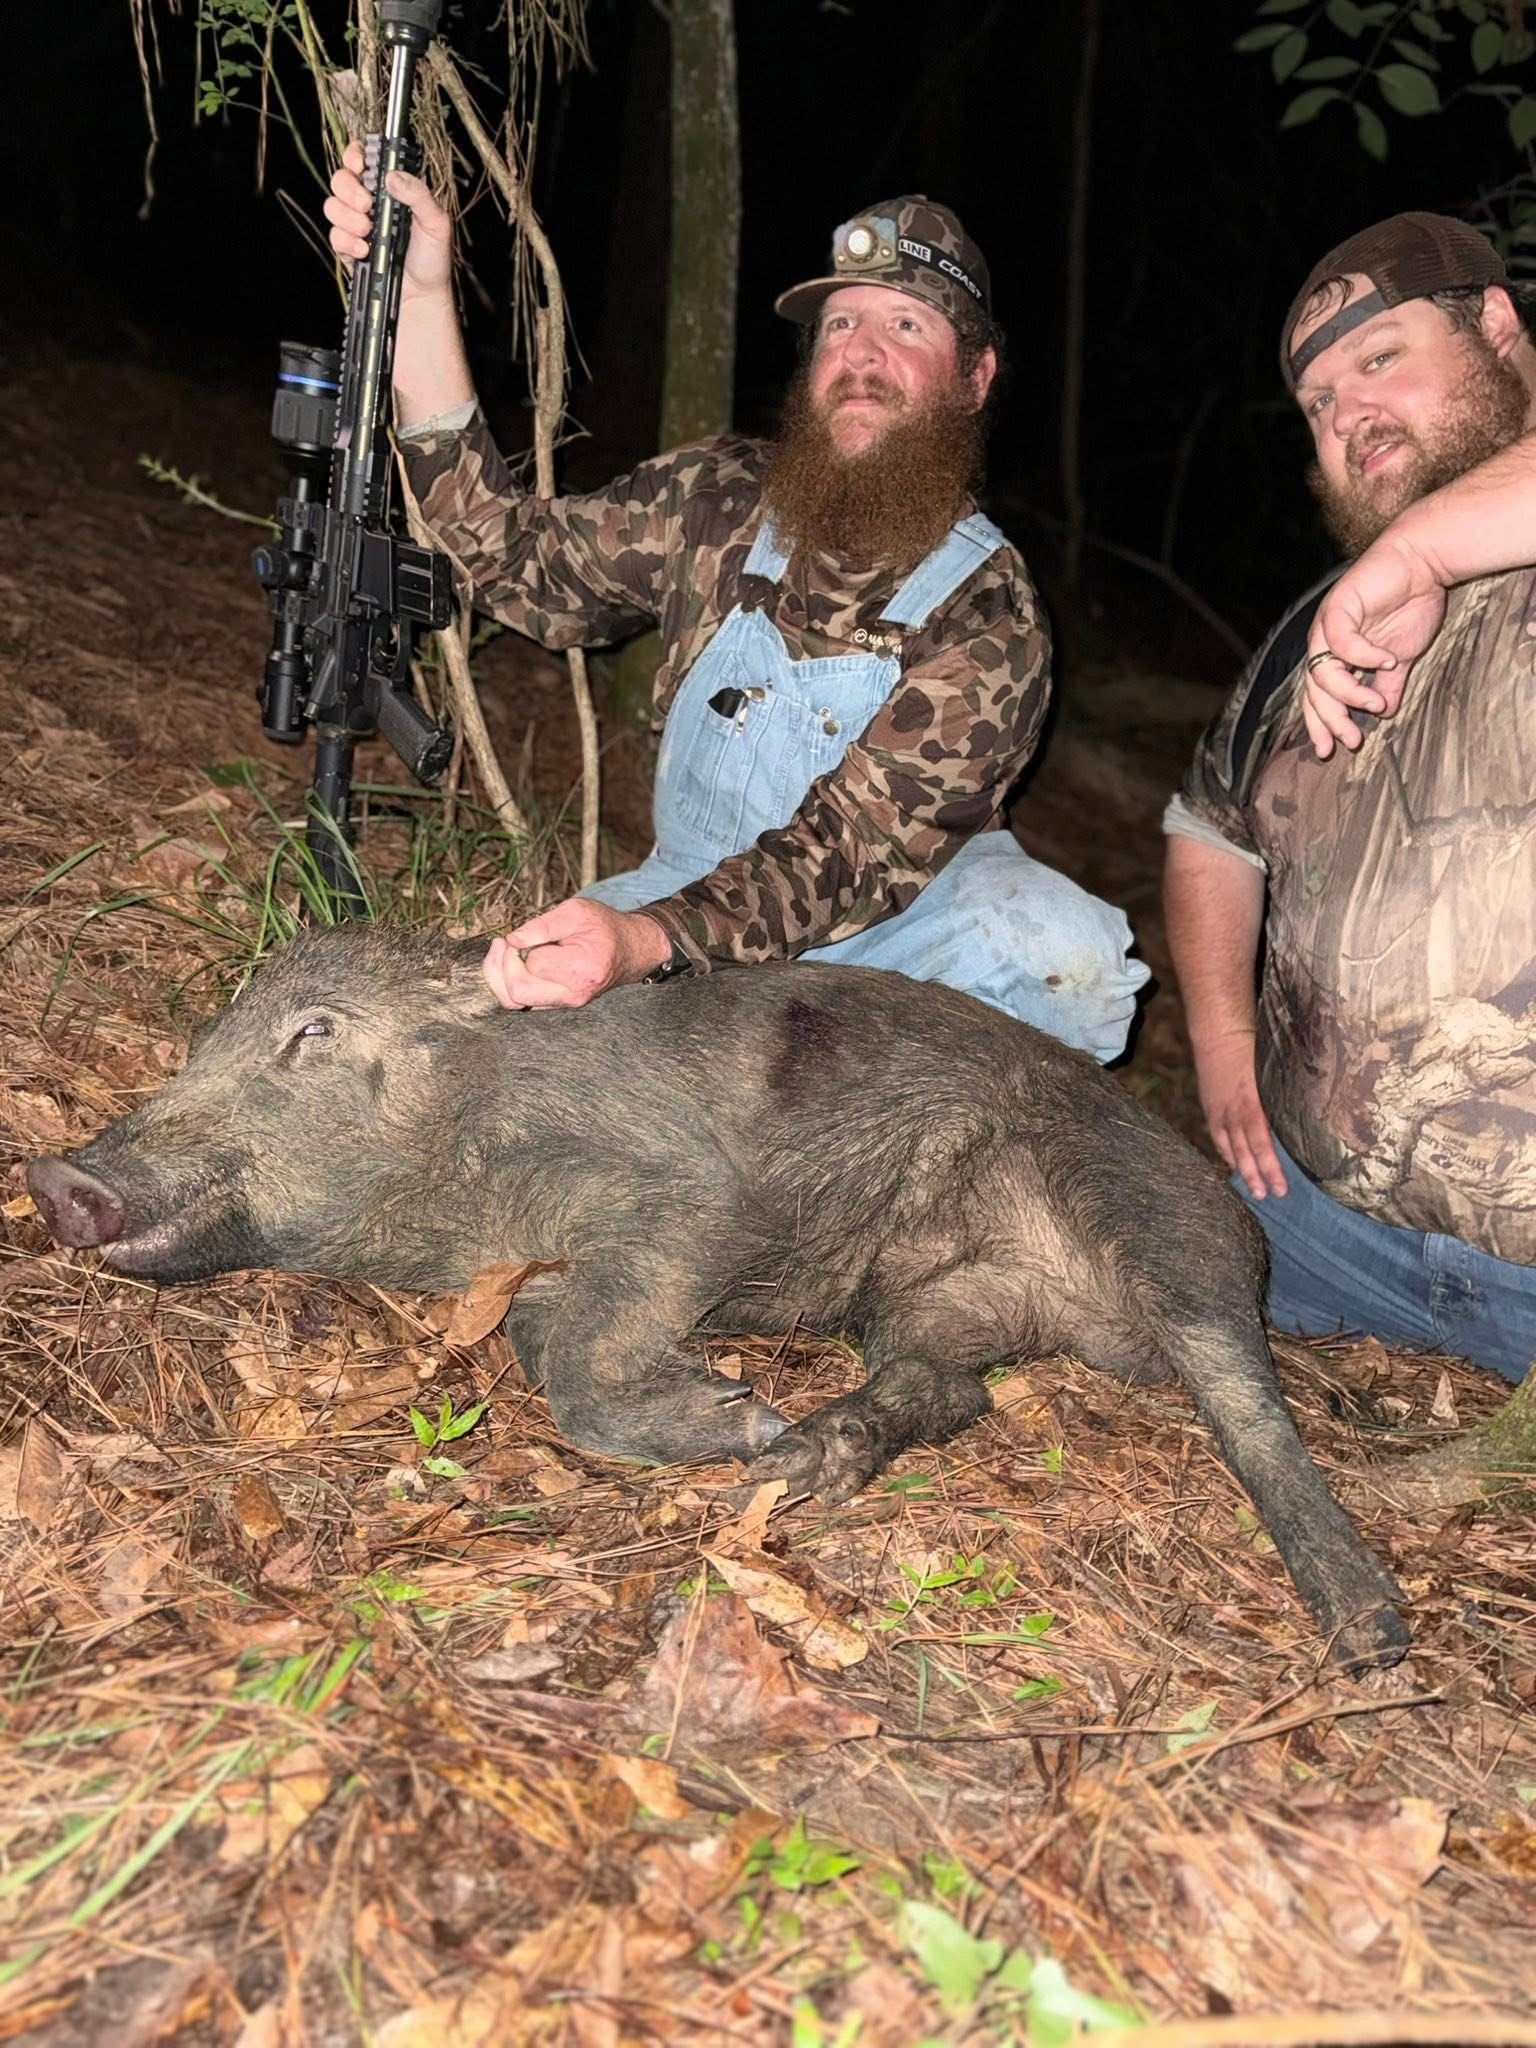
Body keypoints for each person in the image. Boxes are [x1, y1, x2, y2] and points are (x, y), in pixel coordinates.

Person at [324, 150, 1148, 1059]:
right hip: (693, 890)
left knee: (1070, 958)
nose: (861, 355)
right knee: (488, 1043)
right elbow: (507, 555)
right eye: (840, 324)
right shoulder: (717, 498)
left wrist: (644, 944)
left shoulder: (992, 615)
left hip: (905, 929)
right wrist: (424, 300)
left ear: (976, 378)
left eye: (905, 324)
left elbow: (851, 853)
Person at [1164, 211, 1536, 1383]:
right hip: (1327, 1243)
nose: (1349, 415)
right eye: (1320, 403)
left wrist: (1420, 549)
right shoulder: (1319, 629)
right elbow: (1207, 828)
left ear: (1498, 326)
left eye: (1381, 361)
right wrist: (1223, 1045)